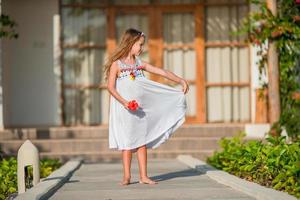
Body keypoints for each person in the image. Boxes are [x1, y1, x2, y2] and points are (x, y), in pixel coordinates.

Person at [104, 28, 189, 186]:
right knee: (127, 141)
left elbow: (161, 72)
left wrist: (180, 80)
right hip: (125, 109)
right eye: (139, 45)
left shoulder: (139, 64)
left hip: (140, 109)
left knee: (141, 141)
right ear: (130, 44)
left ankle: (143, 176)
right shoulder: (117, 65)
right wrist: (124, 102)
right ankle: (127, 176)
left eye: (142, 45)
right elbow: (110, 87)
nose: (141, 48)